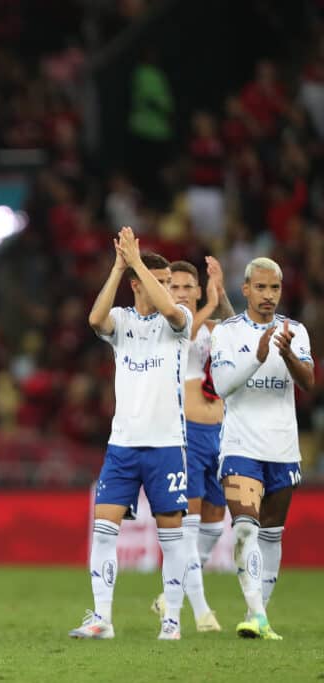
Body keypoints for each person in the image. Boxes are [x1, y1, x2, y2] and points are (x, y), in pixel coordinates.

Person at [69, 227, 192, 641]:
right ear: (138, 285)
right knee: (104, 529)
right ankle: (102, 617)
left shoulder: (180, 322)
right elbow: (94, 318)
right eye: (161, 284)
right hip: (122, 446)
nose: (170, 292)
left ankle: (172, 619)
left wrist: (138, 262)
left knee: (171, 536)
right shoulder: (121, 321)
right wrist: (120, 266)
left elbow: (172, 311)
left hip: (166, 446)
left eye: (171, 285)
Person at [210, 257, 314, 640]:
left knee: (271, 534)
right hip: (240, 446)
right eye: (261, 288)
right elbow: (222, 385)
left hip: (283, 447)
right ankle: (256, 613)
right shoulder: (227, 332)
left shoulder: (296, 331)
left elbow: (309, 383)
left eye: (275, 288)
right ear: (246, 289)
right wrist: (257, 355)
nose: (268, 295)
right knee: (243, 530)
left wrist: (285, 353)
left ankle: (258, 615)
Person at [150, 257, 235, 632]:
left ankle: (173, 594)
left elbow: (237, 330)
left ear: (199, 290)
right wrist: (211, 305)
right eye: (174, 287)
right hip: (186, 434)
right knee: (191, 523)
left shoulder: (213, 325)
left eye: (189, 287)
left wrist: (221, 290)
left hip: (222, 432)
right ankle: (201, 613)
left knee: (216, 523)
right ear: (165, 291)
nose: (181, 293)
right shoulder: (165, 327)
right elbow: (186, 334)